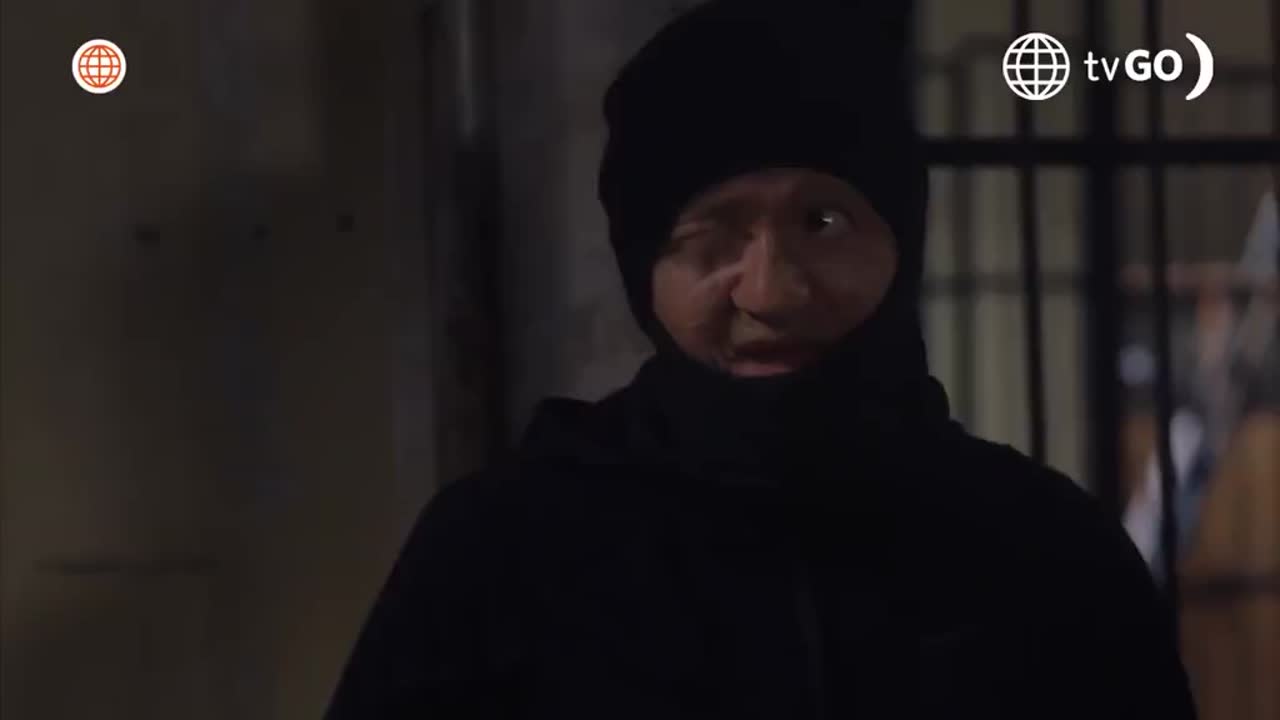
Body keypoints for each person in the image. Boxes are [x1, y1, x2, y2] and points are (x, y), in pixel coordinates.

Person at [325, 1, 1197, 717]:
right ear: (643, 269)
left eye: (824, 222)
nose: (773, 291)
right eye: (712, 236)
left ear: (902, 239)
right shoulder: (500, 558)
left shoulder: (1046, 553)